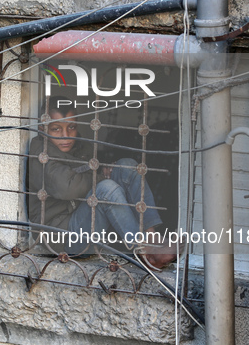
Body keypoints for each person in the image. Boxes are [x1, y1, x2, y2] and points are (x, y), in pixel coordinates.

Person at [28, 96, 178, 269]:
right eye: (55, 129)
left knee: (127, 166)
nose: (65, 136)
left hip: (85, 220)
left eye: (71, 127)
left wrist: (105, 170)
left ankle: (152, 237)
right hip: (62, 238)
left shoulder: (79, 146)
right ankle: (143, 249)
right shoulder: (40, 153)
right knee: (106, 189)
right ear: (42, 128)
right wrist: (101, 177)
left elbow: (89, 173)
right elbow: (66, 188)